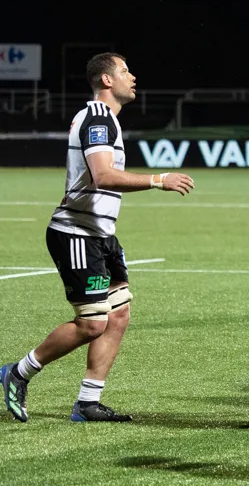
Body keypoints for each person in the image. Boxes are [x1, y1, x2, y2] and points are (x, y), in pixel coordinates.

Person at [2, 53, 194, 424]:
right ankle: (18, 372)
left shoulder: (104, 121)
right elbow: (103, 175)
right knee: (92, 323)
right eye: (125, 71)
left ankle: (88, 403)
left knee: (118, 313)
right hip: (77, 233)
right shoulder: (98, 119)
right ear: (106, 80)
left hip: (100, 234)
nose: (133, 77)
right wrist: (159, 179)